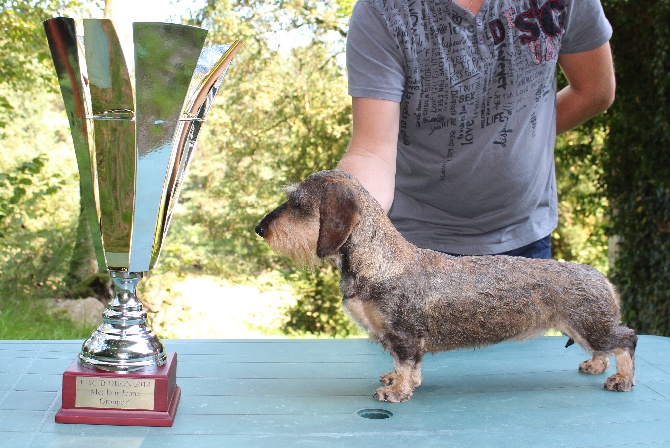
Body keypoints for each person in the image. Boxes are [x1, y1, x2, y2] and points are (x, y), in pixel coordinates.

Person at [337, 0, 615, 259]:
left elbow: (594, 90)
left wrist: (516, 139)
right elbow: (371, 153)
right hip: (416, 249)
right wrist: (343, 217)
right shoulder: (381, 10)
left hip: (525, 240)